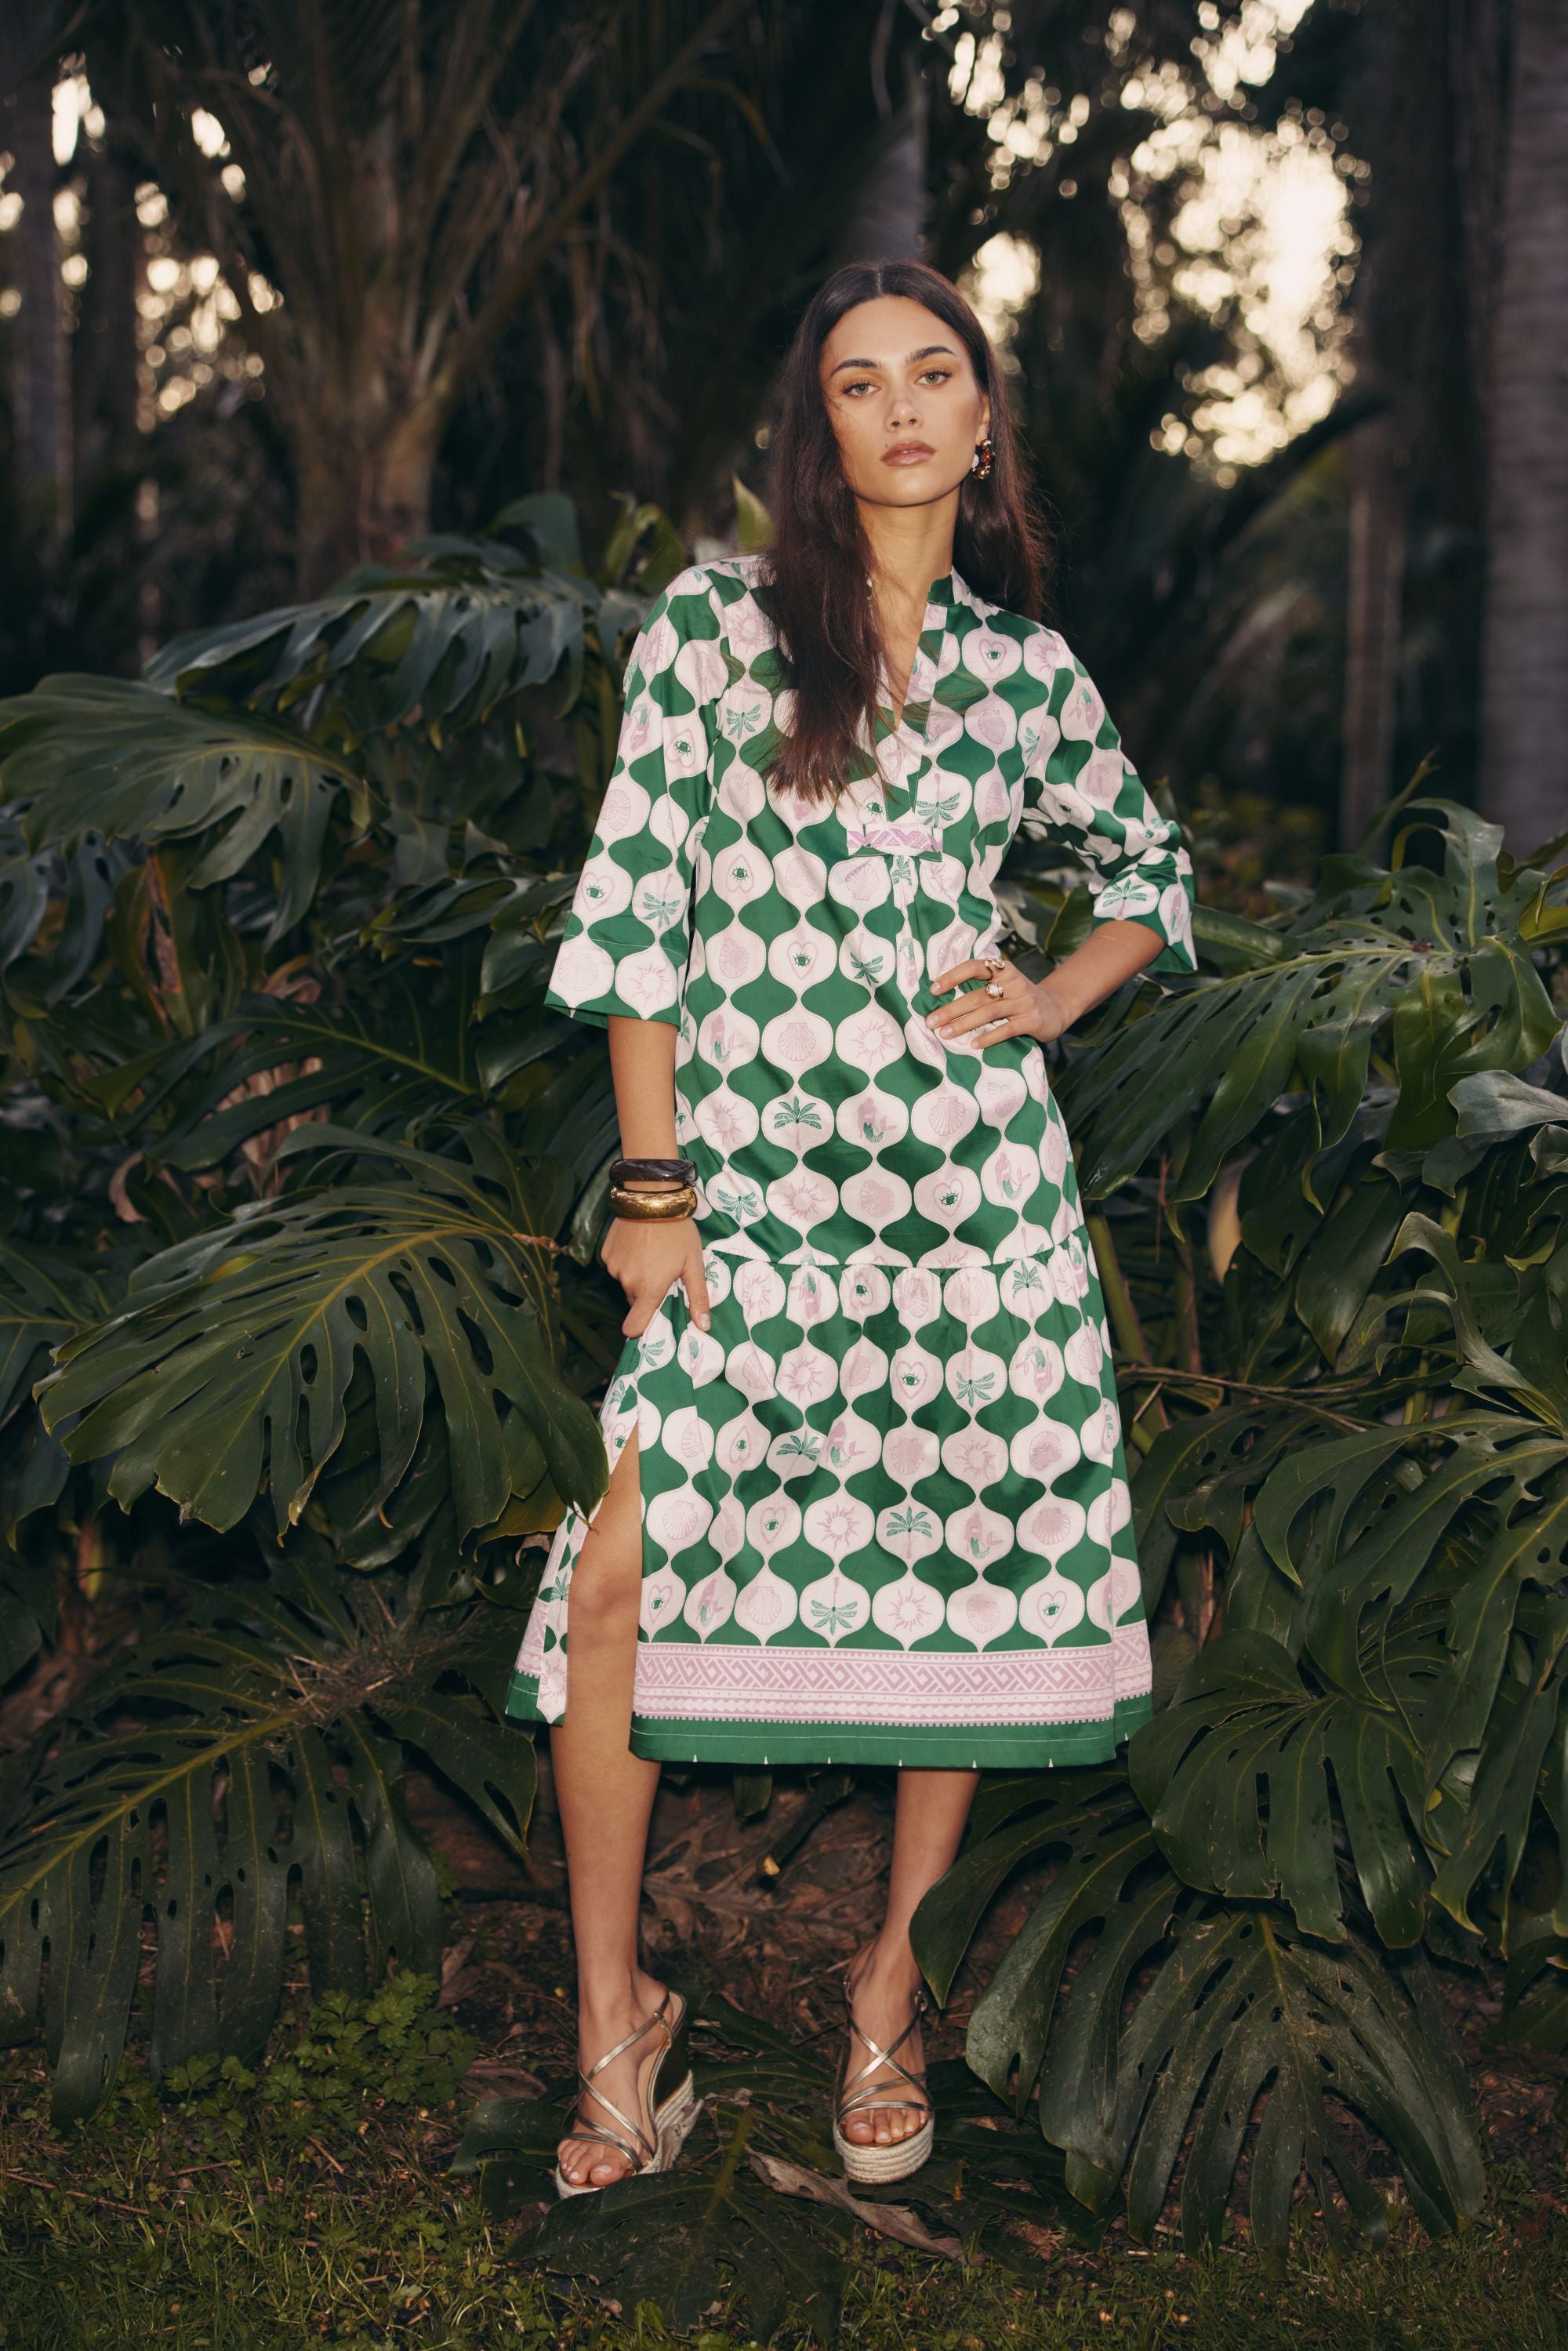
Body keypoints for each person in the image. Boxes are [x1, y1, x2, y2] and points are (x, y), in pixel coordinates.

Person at [505, 259, 1197, 2197]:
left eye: (935, 376)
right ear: (817, 434)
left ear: (984, 427)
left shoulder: (1026, 677)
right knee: (621, 1583)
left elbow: (1149, 868)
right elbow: (639, 918)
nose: (898, 407)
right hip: (743, 1207)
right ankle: (608, 2019)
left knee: (963, 1562)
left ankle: (890, 1982)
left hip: (973, 1205)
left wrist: (1054, 997)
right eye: (856, 383)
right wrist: (653, 1189)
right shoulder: (720, 636)